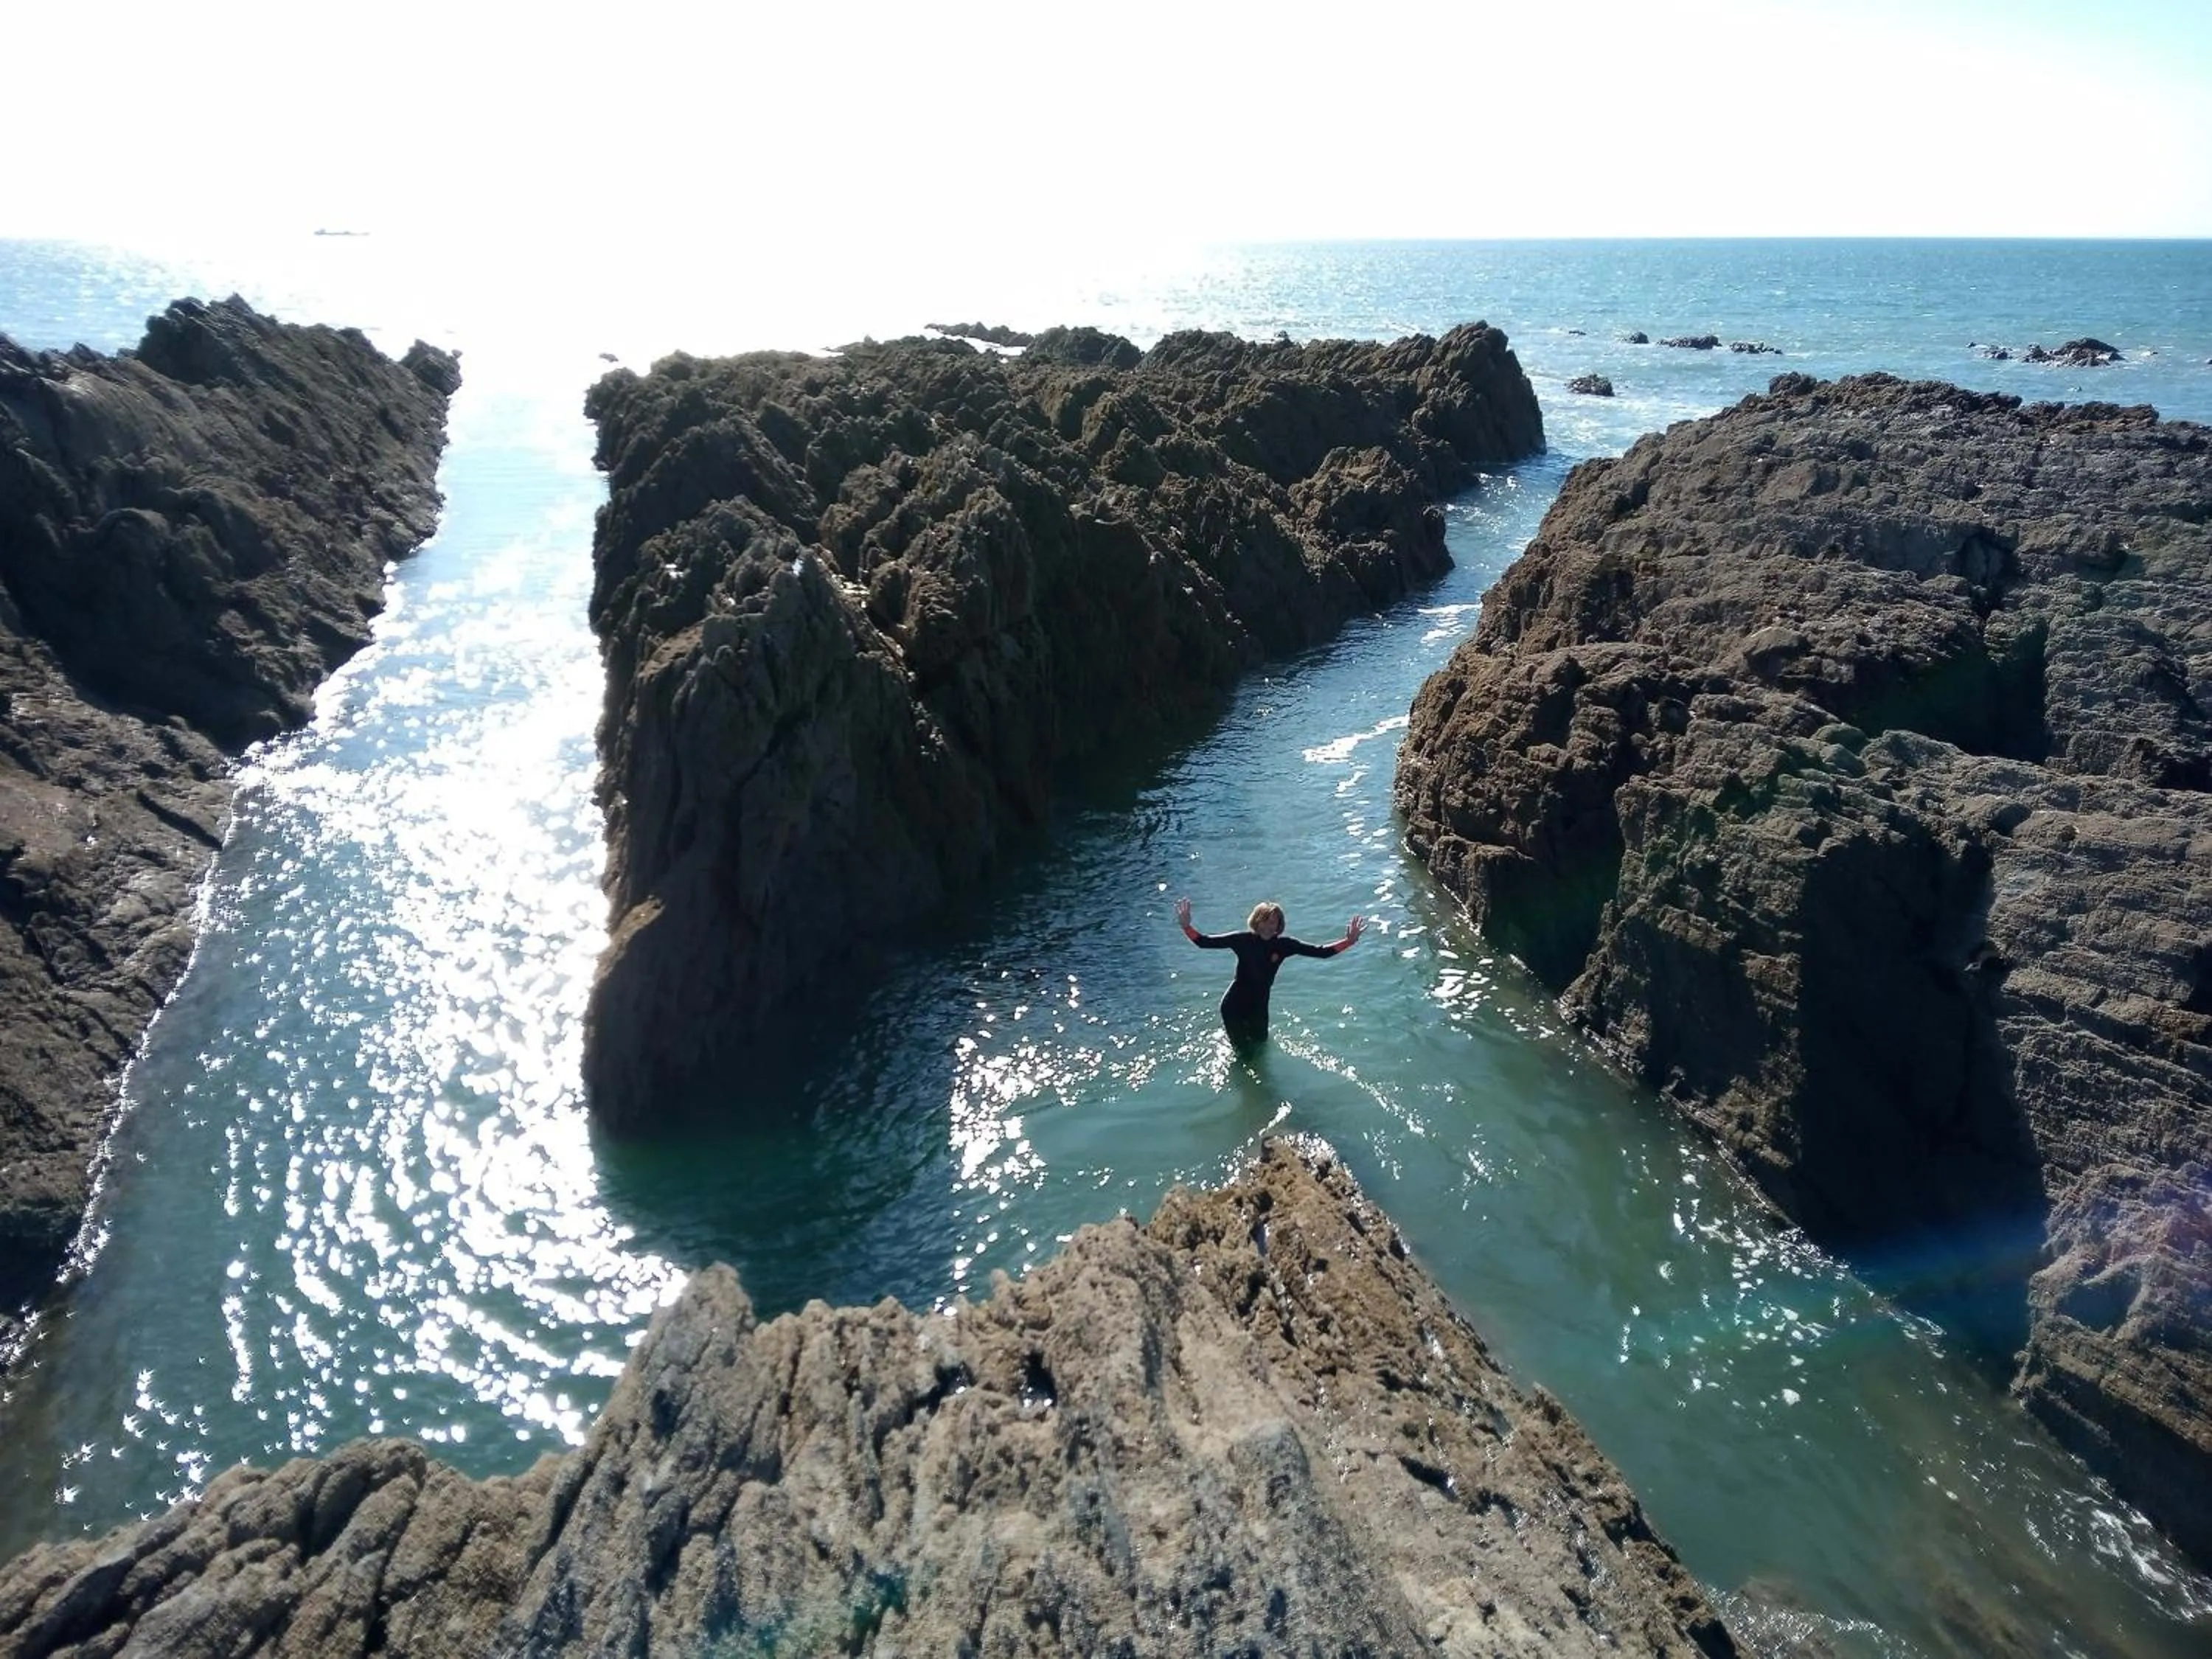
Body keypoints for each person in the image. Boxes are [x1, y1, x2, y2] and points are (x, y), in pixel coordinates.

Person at [1175, 896, 1363, 1050]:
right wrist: (1186, 927)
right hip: (1234, 1005)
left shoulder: (1284, 946)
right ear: (1257, 921)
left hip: (1259, 1005)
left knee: (1261, 1049)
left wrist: (1348, 942)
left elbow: (1321, 952)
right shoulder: (1242, 940)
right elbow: (1204, 942)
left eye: (1275, 922)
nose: (1271, 925)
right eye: (1267, 920)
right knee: (1243, 1055)